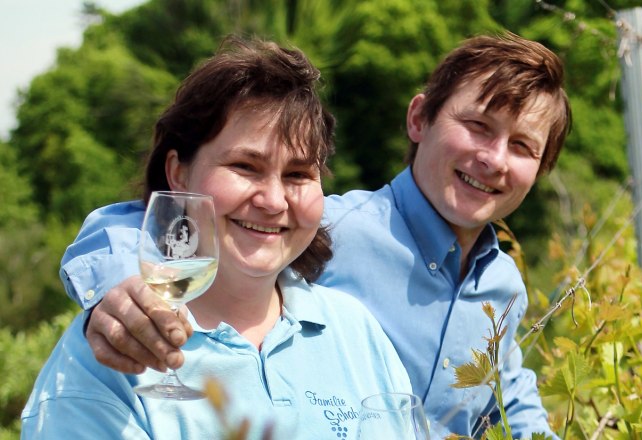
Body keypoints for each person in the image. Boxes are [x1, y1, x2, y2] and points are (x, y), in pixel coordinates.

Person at [55, 31, 571, 439]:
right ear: (419, 118)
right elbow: (148, 220)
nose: (494, 158)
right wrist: (120, 294)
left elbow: (507, 399)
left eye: (523, 146)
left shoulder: (503, 284)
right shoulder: (335, 227)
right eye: (478, 126)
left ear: (541, 167)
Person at [21, 36, 411, 439]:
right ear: (178, 173)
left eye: (298, 175)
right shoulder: (114, 350)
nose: (274, 201)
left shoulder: (353, 330)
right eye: (245, 166)